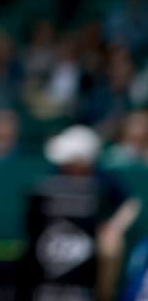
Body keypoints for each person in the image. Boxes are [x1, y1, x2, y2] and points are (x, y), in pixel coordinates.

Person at [37, 124, 142, 301]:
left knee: (111, 248)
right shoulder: (55, 173)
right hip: (58, 233)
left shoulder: (103, 177)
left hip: (95, 233)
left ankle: (103, 296)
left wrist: (113, 227)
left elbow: (130, 203)